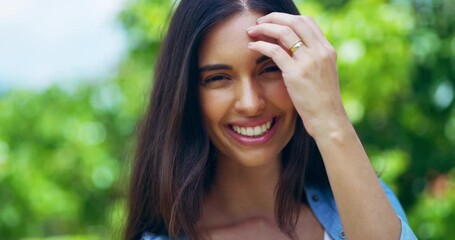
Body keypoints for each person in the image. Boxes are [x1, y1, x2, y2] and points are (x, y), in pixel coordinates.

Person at [124, 0, 417, 239]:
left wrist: (332, 119)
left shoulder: (363, 201)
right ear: (187, 94)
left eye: (269, 69)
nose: (251, 104)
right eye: (217, 78)